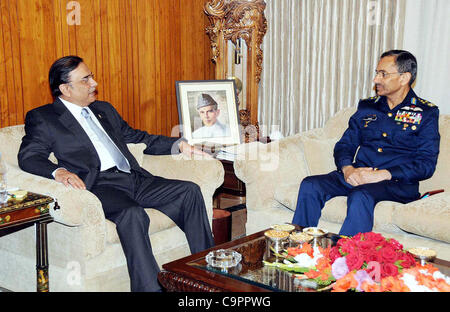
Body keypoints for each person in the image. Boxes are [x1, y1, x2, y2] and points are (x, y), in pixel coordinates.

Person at [18, 56, 215, 292]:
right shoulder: (44, 118)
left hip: (133, 177)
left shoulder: (104, 109)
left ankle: (206, 274)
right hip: (100, 185)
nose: (94, 83)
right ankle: (151, 289)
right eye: (86, 79)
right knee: (132, 214)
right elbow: (29, 156)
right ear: (65, 89)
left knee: (189, 191)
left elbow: (138, 137)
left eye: (91, 76)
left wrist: (179, 144)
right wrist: (58, 171)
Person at [292, 50, 440, 237]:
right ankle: (300, 246)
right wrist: (348, 169)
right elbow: (345, 144)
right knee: (311, 184)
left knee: (361, 195)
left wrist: (383, 175)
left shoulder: (425, 113)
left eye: (383, 74)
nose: (376, 79)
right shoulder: (368, 107)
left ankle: (346, 258)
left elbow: (426, 164)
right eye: (377, 73)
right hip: (359, 174)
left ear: (404, 78)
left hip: (397, 183)